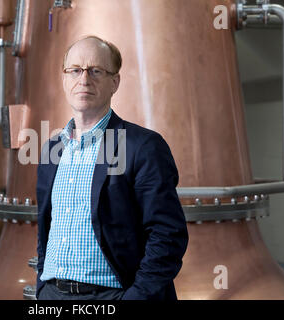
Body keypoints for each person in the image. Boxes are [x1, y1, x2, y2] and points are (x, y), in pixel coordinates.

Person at [36, 36, 188, 300]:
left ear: (114, 83)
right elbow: (45, 230)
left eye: (96, 71)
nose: (84, 79)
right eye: (75, 70)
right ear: (64, 80)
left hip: (112, 295)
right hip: (53, 295)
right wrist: (42, 287)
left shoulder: (143, 146)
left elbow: (168, 235)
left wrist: (136, 297)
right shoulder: (52, 150)